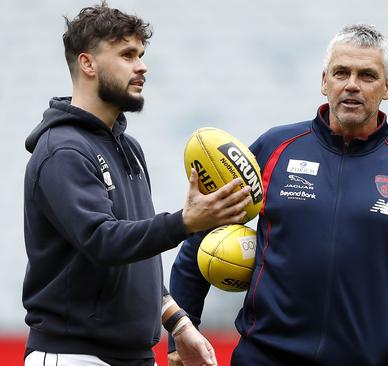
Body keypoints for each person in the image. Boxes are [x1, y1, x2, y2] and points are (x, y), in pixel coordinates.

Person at [167, 24, 388, 366]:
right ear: (325, 81)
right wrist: (183, 332)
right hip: (264, 357)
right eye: (341, 72)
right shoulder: (274, 149)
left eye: (367, 75)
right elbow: (200, 236)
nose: (352, 84)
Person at [21, 3, 252, 366]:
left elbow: (135, 253)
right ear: (88, 64)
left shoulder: (128, 147)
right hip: (75, 355)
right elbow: (103, 241)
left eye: (141, 55)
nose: (142, 66)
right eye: (127, 55)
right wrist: (185, 222)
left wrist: (177, 322)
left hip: (133, 356)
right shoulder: (62, 151)